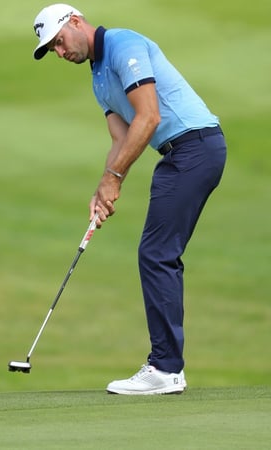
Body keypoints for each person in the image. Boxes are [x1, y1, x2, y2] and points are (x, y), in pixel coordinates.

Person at [31, 5, 226, 394]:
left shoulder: (123, 44)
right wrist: (101, 194)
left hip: (196, 147)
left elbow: (149, 117)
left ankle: (166, 369)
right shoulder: (98, 76)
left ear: (75, 22)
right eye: (51, 49)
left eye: (58, 41)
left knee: (156, 254)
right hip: (179, 155)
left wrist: (113, 177)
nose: (59, 52)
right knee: (157, 253)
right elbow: (121, 139)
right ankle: (166, 366)